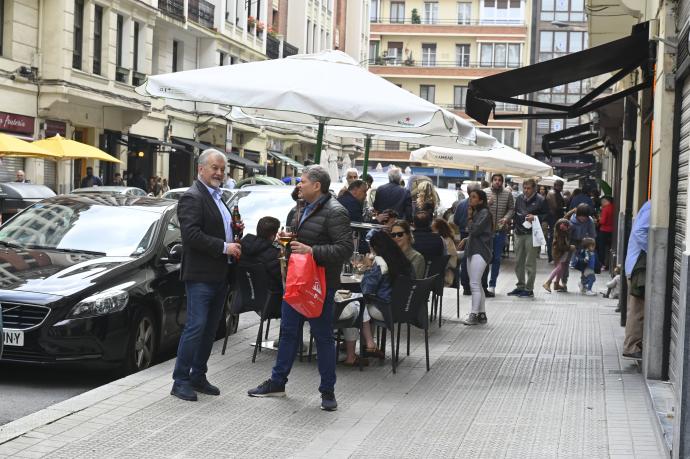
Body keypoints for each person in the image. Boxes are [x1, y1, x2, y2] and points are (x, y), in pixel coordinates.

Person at [248, 165, 353, 412]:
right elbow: (297, 239)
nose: (299, 185)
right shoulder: (300, 208)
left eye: (303, 182)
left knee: (323, 337)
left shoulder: (336, 212)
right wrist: (286, 240)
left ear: (317, 185)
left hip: (319, 284)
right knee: (288, 333)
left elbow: (345, 249)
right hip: (296, 280)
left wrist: (312, 251)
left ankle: (328, 391)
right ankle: (277, 382)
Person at [171, 149, 242, 402]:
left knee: (211, 329)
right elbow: (191, 236)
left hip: (220, 274)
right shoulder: (193, 197)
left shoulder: (218, 197)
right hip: (200, 274)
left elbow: (220, 230)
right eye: (214, 168)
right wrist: (225, 247)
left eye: (222, 169)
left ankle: (198, 375)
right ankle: (180, 380)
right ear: (201, 169)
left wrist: (235, 234)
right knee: (196, 327)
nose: (219, 173)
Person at [340, 230, 412, 366]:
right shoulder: (402, 260)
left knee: (357, 303)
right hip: (404, 307)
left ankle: (359, 348)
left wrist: (368, 268)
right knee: (362, 302)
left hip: (386, 308)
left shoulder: (380, 263)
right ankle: (368, 344)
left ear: (375, 248)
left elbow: (366, 289)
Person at [508, 178, 547, 298]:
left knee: (530, 262)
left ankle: (529, 289)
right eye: (524, 188)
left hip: (532, 234)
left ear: (534, 188)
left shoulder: (540, 199)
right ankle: (520, 286)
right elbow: (515, 212)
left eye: (528, 188)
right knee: (518, 261)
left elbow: (546, 215)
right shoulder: (519, 198)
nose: (526, 190)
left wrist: (535, 217)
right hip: (519, 232)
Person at [459, 189, 493, 325]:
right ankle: (482, 314)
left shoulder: (484, 213)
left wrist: (469, 218)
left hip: (480, 251)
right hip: (473, 250)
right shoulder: (479, 212)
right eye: (470, 197)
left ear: (481, 200)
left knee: (474, 284)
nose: (470, 199)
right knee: (477, 284)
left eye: (473, 197)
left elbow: (475, 230)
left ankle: (473, 314)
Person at [622, 200, 650, 361]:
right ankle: (631, 346)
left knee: (636, 308)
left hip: (635, 265)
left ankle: (633, 344)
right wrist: (652, 249)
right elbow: (640, 231)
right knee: (637, 308)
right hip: (638, 267)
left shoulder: (649, 205)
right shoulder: (653, 207)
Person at [483, 174, 514, 294]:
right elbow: (478, 208)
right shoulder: (484, 192)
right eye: (495, 180)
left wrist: (506, 218)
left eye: (500, 180)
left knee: (496, 258)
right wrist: (488, 204)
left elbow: (512, 208)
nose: (497, 182)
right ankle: (483, 283)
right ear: (491, 181)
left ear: (503, 182)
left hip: (500, 230)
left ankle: (492, 284)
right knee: (485, 258)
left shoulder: (507, 194)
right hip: (486, 231)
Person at [240, 216, 282, 293]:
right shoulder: (273, 255)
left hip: (246, 295)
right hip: (270, 297)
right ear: (273, 236)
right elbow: (283, 279)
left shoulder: (242, 248)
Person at [454, 182, 482, 296]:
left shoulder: (460, 204)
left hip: (462, 234)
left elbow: (455, 220)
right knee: (475, 261)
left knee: (465, 261)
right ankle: (474, 285)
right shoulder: (479, 207)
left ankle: (466, 286)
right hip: (476, 237)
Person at [543, 218, 573, 293]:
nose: (568, 227)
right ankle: (548, 282)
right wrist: (570, 247)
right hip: (559, 253)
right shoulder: (560, 235)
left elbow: (565, 217)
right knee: (559, 268)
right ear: (562, 227)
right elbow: (560, 246)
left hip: (560, 253)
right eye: (567, 226)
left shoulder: (560, 229)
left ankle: (556, 283)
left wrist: (573, 211)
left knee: (561, 268)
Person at [431, 218, 458, 287]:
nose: (431, 232)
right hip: (438, 271)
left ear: (439, 229)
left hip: (445, 273)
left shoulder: (447, 241)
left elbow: (449, 262)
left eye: (433, 230)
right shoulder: (439, 239)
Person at [545, 180, 566, 263]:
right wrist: (563, 208)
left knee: (555, 237)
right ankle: (551, 256)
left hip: (555, 217)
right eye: (561, 186)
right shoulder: (553, 193)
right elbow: (555, 206)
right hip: (554, 218)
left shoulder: (555, 193)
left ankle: (553, 255)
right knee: (554, 237)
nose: (561, 188)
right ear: (556, 185)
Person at [596, 196, 615, 270]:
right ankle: (609, 264)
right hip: (612, 230)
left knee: (602, 248)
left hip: (604, 230)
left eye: (602, 202)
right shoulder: (614, 207)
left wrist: (599, 219)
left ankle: (602, 264)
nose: (601, 204)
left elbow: (602, 221)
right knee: (610, 247)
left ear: (605, 201)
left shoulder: (605, 209)